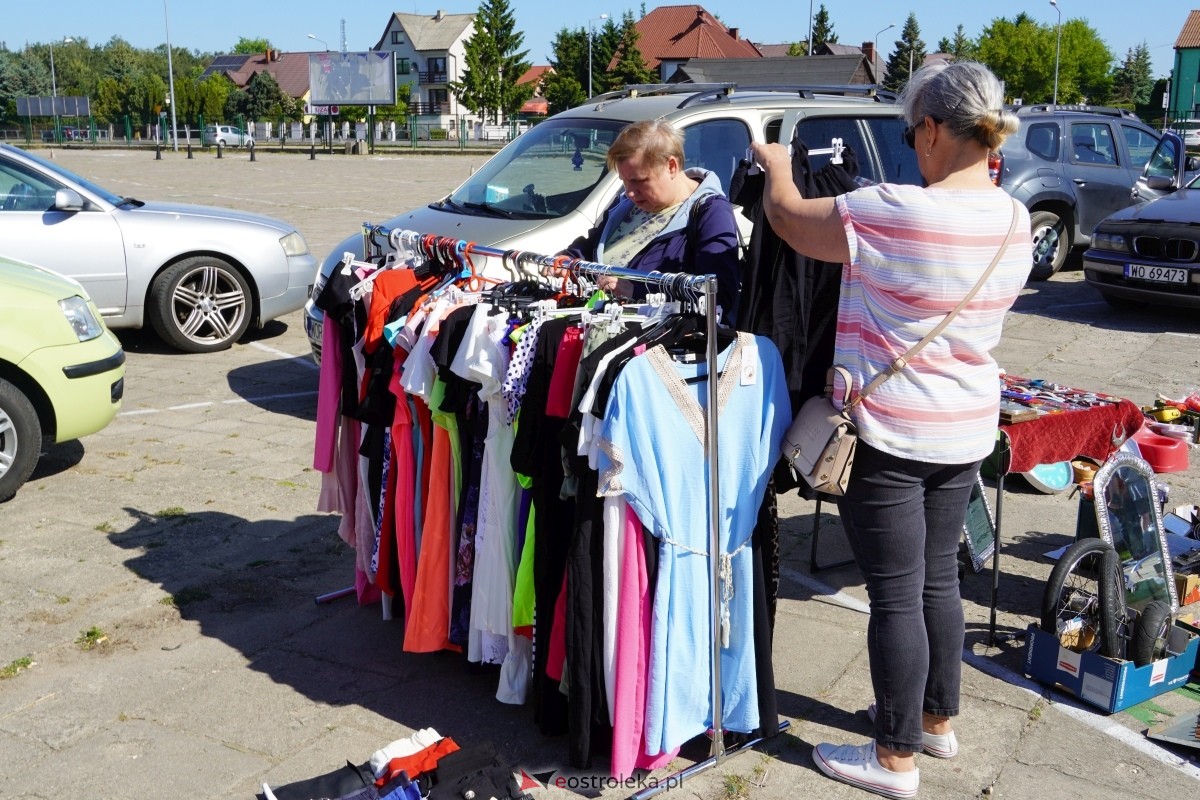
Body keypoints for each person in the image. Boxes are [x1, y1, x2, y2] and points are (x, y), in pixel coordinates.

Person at [750, 61, 1030, 799]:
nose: (912, 148)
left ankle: (894, 757)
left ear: (934, 130)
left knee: (896, 595)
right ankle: (935, 720)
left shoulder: (895, 209)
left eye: (913, 133)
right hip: (965, 426)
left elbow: (785, 219)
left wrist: (778, 165)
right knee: (939, 578)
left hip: (895, 433)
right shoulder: (1014, 215)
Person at [564, 119, 741, 320]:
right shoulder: (626, 205)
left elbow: (718, 295)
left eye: (639, 181)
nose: (630, 192)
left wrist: (636, 291)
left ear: (671, 166)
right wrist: (568, 259)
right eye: (624, 182)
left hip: (661, 345)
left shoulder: (711, 212)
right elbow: (592, 246)